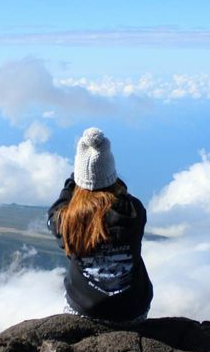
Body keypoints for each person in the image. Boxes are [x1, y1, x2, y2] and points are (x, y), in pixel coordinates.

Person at [47, 127, 153, 322]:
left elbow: (56, 209)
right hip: (133, 312)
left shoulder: (65, 219)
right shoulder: (134, 211)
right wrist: (113, 181)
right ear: (111, 172)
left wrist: (71, 183)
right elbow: (123, 196)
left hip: (85, 312)